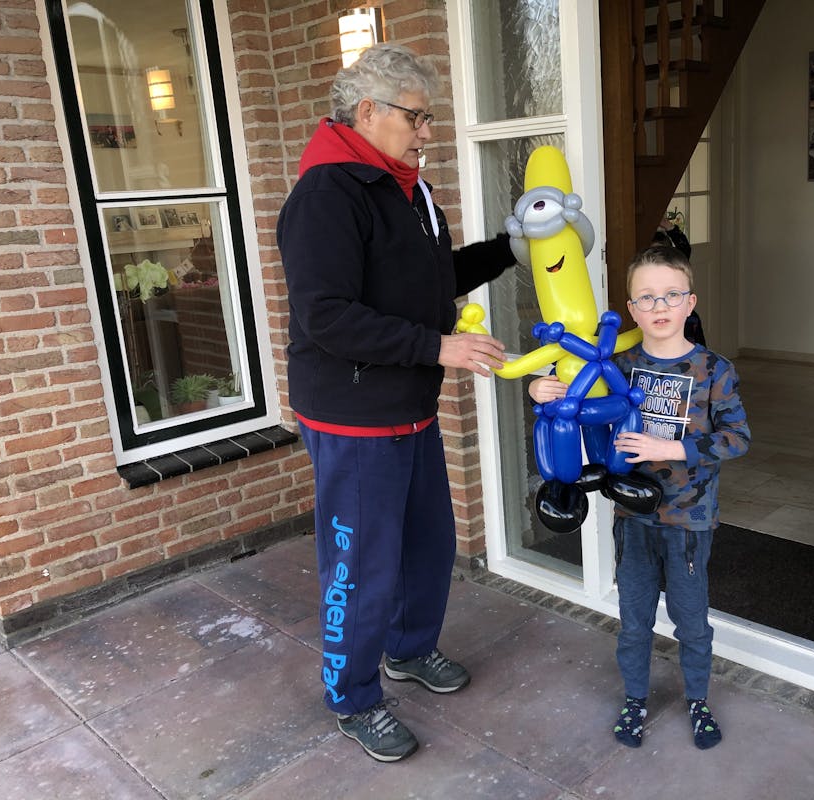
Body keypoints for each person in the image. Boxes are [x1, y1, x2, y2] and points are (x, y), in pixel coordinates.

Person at [276, 43, 516, 763]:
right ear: (367, 111)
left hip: (408, 405)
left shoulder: (409, 190)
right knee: (361, 565)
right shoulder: (326, 194)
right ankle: (352, 696)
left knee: (428, 544)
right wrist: (438, 347)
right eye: (417, 117)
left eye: (428, 118)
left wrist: (511, 246)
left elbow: (434, 280)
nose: (426, 131)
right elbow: (326, 316)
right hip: (351, 416)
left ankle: (409, 650)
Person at [528, 244, 750, 750]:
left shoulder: (714, 369)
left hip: (689, 519)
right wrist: (541, 389)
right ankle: (635, 698)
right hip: (632, 517)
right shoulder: (618, 364)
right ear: (631, 309)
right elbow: (570, 393)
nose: (659, 306)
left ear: (690, 303)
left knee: (692, 622)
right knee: (634, 621)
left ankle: (698, 700)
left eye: (671, 295)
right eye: (646, 297)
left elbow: (738, 438)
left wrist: (668, 447)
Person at [653, 215, 705, 347]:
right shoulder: (645, 273)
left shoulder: (676, 266)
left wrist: (669, 226)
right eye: (653, 253)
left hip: (682, 314)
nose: (658, 257)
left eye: (662, 253)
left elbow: (684, 247)